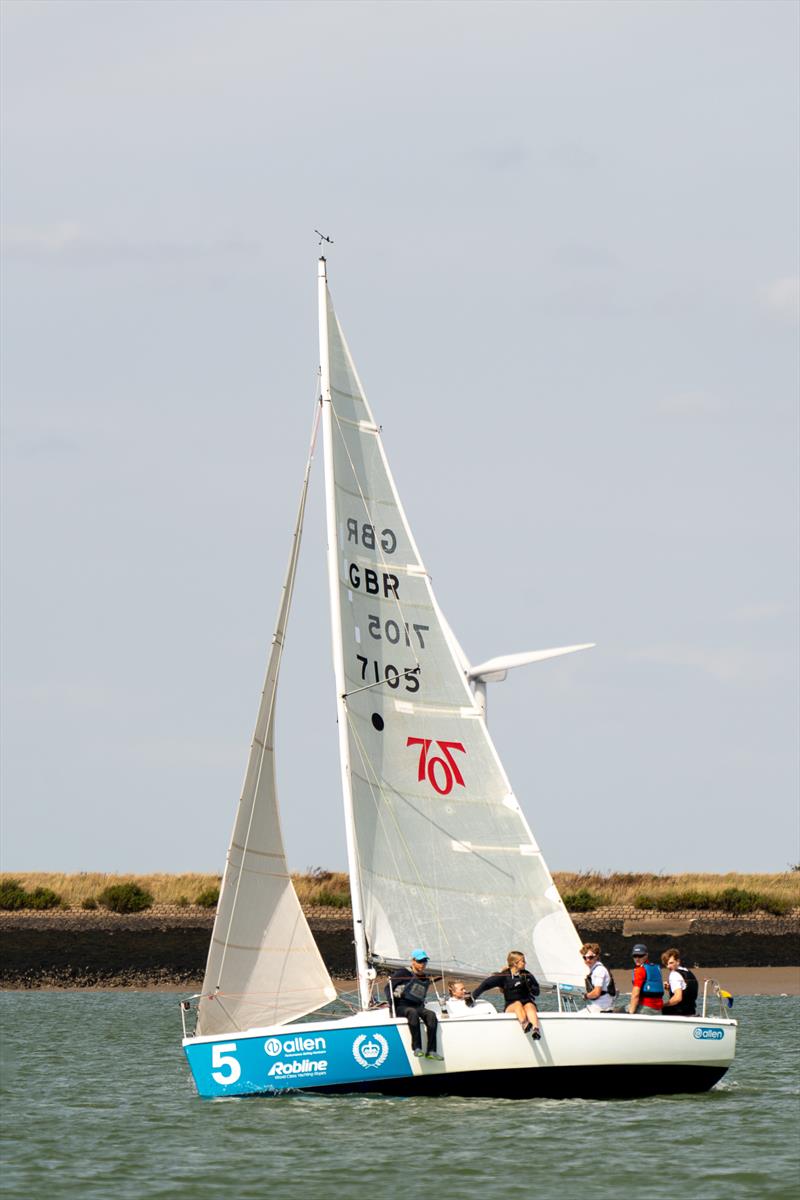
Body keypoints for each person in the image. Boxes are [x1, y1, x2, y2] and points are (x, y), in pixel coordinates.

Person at [386, 949, 443, 1059]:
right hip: (401, 1007)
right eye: (420, 961)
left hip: (417, 1006)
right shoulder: (403, 972)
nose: (423, 964)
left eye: (424, 961)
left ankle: (431, 1051)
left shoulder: (425, 976)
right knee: (412, 1012)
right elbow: (387, 988)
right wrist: (391, 1002)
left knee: (431, 1014)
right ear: (413, 961)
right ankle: (417, 1048)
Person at [472, 951, 542, 1038]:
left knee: (529, 1005)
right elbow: (486, 984)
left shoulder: (527, 975)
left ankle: (536, 1029)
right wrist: (473, 997)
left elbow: (537, 992)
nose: (525, 963)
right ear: (515, 963)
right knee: (517, 1004)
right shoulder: (504, 976)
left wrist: (531, 986)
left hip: (527, 1003)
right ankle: (524, 1024)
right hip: (511, 1006)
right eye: (523, 961)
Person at [628, 943, 664, 1014]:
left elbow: (635, 995)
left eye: (640, 956)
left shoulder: (640, 970)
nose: (637, 959)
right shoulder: (657, 968)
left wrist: (630, 1013)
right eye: (635, 956)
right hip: (659, 1009)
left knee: (620, 1009)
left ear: (646, 955)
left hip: (645, 1008)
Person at [661, 948, 698, 1016]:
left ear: (678, 961)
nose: (668, 966)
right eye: (667, 964)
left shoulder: (674, 974)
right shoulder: (688, 972)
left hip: (678, 1013)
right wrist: (670, 988)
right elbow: (686, 990)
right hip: (691, 1011)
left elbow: (678, 998)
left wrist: (663, 1005)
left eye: (671, 963)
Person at [580, 942, 616, 1012]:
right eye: (585, 957)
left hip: (602, 1007)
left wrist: (585, 996)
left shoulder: (599, 970)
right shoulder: (595, 969)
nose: (587, 960)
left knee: (577, 1017)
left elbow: (596, 993)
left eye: (590, 957)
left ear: (596, 956)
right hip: (600, 1005)